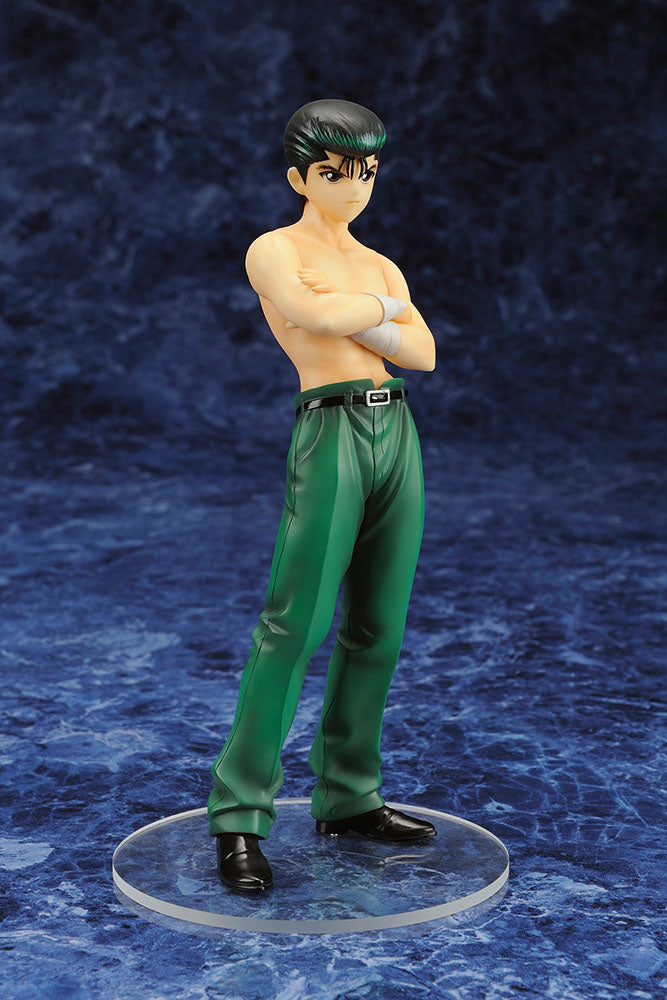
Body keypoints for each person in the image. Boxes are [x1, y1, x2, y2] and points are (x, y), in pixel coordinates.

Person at [208, 99, 437, 892]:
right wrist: (381, 317)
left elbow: (422, 353)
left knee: (379, 626)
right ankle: (239, 815)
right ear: (299, 178)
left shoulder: (378, 264)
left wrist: (364, 313)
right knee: (293, 625)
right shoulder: (274, 249)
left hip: (395, 428)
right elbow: (308, 313)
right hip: (330, 427)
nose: (354, 186)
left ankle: (348, 794)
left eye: (366, 170)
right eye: (336, 172)